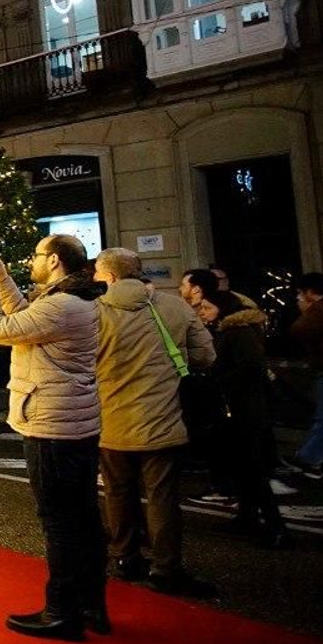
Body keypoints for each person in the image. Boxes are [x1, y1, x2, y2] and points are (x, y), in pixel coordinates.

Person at [0, 235, 105, 641]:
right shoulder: (73, 299)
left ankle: (61, 611)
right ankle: (89, 604)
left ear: (55, 261)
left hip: (52, 425)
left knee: (59, 521)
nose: (32, 260)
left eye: (37, 255)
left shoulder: (63, 306)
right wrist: (4, 280)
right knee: (82, 517)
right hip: (73, 422)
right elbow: (27, 315)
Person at [92, 248, 217, 597]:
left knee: (117, 492)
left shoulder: (94, 312)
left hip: (112, 421)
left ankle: (125, 557)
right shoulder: (173, 307)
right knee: (162, 497)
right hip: (162, 421)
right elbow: (206, 357)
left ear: (110, 277)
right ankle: (166, 567)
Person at [197, 290, 291, 549]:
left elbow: (249, 369)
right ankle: (247, 517)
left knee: (252, 470)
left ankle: (276, 527)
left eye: (207, 307)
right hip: (241, 411)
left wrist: (216, 381)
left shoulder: (238, 333)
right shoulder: (233, 332)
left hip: (244, 413)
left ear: (222, 308)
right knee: (243, 468)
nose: (202, 311)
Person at [291, 273, 323, 477]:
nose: (298, 298)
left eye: (300, 293)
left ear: (309, 292)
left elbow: (299, 330)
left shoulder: (321, 309)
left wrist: (306, 311)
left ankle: (309, 457)